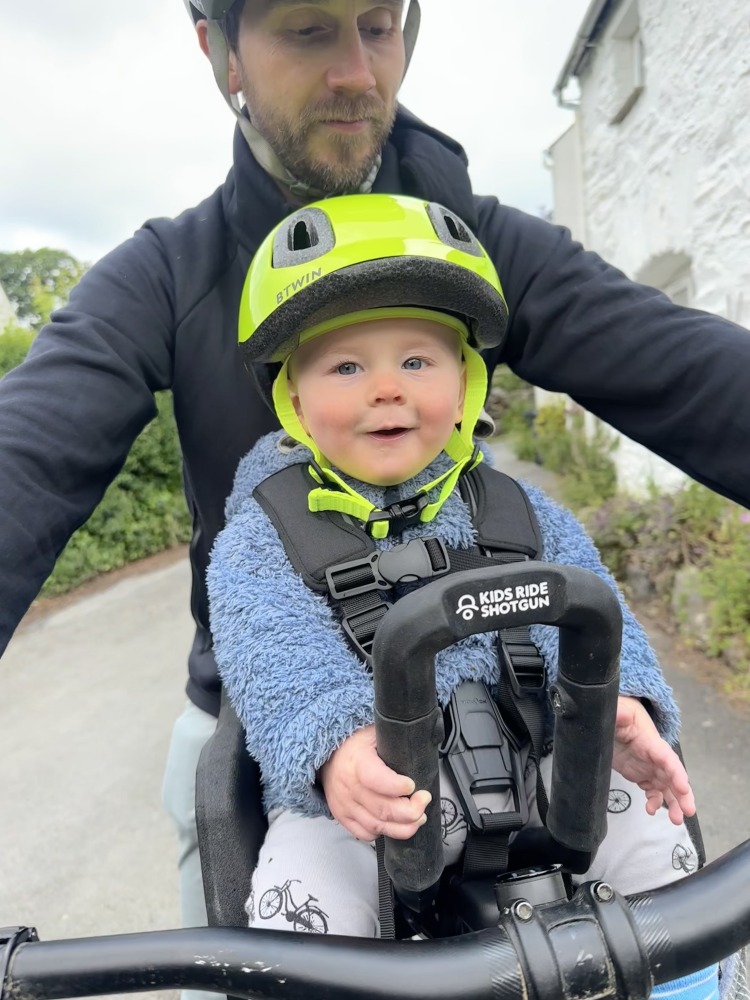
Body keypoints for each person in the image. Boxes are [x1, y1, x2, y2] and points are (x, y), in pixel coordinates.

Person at [1, 0, 749, 945]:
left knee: (672, 912)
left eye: (378, 23)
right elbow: (25, 457)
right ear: (220, 50)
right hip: (278, 733)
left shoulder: (478, 248)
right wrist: (325, 740)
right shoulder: (167, 272)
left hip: (530, 725)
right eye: (309, 30)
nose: (357, 70)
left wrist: (622, 698)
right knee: (251, 939)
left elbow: (687, 369)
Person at [206, 192, 716, 1000]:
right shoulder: (264, 537)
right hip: (373, 796)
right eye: (346, 366)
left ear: (466, 379)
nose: (386, 389)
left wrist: (621, 706)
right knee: (299, 914)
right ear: (294, 398)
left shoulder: (517, 508)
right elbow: (269, 652)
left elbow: (588, 602)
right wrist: (337, 747)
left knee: (663, 856)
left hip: (544, 760)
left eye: (416, 361)